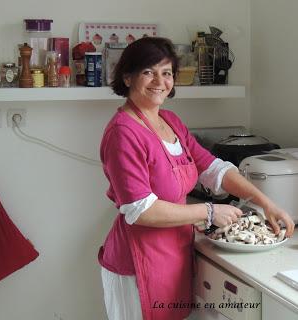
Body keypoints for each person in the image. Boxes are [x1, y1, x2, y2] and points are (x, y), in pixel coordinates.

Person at [98, 37, 295, 320]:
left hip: (173, 253)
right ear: (127, 77)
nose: (159, 81)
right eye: (148, 72)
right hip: (137, 261)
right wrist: (210, 211)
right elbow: (140, 209)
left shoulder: (169, 121)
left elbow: (213, 168)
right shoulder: (123, 133)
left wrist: (267, 204)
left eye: (166, 73)